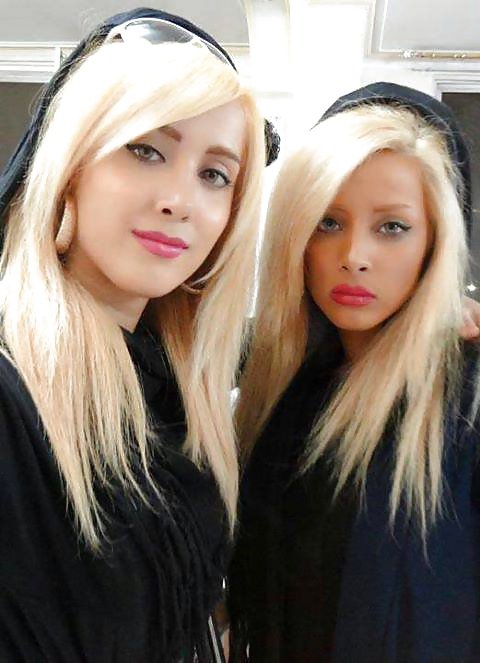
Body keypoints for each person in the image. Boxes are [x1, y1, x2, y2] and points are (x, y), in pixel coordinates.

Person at [0, 7, 273, 662]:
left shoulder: (183, 398)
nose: (180, 199)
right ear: (71, 167)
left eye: (215, 174)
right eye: (146, 150)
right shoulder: (12, 397)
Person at [229, 83, 480, 662]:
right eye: (327, 222)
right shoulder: (284, 389)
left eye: (392, 227)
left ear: (434, 243)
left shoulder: (465, 400)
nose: (354, 257)